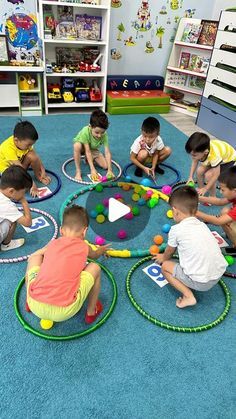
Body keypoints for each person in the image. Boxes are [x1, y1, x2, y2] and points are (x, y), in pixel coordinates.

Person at [26, 205, 110, 325]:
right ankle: (91, 311)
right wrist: (102, 250)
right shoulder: (84, 247)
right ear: (85, 231)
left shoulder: (53, 243)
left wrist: (34, 257)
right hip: (66, 310)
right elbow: (95, 255)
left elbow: (35, 255)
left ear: (60, 230)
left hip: (35, 304)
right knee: (95, 267)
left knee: (35, 259)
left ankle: (28, 302)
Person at [153, 186, 227, 308]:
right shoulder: (202, 225)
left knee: (165, 267)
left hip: (201, 282)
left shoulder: (176, 230)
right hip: (219, 273)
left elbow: (169, 252)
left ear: (175, 211)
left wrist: (163, 258)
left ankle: (188, 296)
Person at [0, 120, 51, 197]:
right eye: (28, 145)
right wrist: (32, 185)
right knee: (16, 184)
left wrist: (42, 171)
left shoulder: (24, 142)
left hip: (19, 166)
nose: (30, 146)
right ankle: (26, 182)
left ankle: (39, 176)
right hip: (9, 172)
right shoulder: (7, 147)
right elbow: (20, 168)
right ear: (16, 140)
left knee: (32, 155)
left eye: (31, 144)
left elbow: (35, 156)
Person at [197, 166, 236, 252]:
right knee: (225, 211)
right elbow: (220, 202)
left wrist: (196, 212)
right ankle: (231, 235)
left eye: (223, 190)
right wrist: (198, 198)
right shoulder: (234, 194)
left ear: (234, 190)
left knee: (223, 220)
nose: (220, 192)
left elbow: (218, 221)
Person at [185, 132, 236, 197]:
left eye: (194, 155)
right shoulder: (199, 151)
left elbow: (215, 175)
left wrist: (206, 188)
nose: (192, 157)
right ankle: (201, 191)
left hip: (229, 160)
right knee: (199, 171)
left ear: (205, 152)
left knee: (209, 175)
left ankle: (212, 196)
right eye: (191, 154)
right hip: (216, 156)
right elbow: (194, 161)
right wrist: (190, 177)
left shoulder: (214, 156)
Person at [73, 110, 114, 182]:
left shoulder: (104, 135)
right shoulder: (85, 131)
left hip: (93, 149)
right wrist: (92, 169)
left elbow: (107, 152)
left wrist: (110, 170)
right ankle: (78, 171)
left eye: (102, 132)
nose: (99, 135)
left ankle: (88, 159)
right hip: (83, 147)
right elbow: (87, 151)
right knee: (77, 146)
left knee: (105, 166)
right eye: (97, 132)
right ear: (90, 126)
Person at [0, 165, 32, 251]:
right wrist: (24, 202)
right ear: (11, 191)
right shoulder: (8, 206)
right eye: (24, 192)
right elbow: (28, 223)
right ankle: (6, 245)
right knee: (13, 220)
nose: (24, 195)